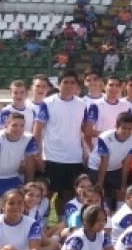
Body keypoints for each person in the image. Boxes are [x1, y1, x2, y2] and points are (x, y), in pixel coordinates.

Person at [32, 70, 90, 206]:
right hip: (53, 157)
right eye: (65, 82)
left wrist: (86, 152)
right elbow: (37, 130)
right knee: (51, 193)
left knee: (72, 193)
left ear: (77, 85)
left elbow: (82, 131)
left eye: (72, 82)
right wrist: (38, 155)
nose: (69, 85)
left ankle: (67, 222)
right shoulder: (47, 103)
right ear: (58, 84)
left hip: (74, 158)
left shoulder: (82, 104)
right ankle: (49, 221)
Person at [0, 112, 38, 198]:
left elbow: (30, 165)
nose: (18, 129)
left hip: (13, 177)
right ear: (6, 126)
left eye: (21, 126)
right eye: (14, 125)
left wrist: (29, 186)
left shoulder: (29, 138)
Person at [87, 112, 132, 210]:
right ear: (116, 126)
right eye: (124, 128)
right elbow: (104, 161)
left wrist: (123, 185)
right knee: (98, 192)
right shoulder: (105, 137)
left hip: (116, 166)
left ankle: (117, 216)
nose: (127, 132)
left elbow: (127, 162)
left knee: (121, 191)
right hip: (96, 166)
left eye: (130, 129)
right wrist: (100, 183)